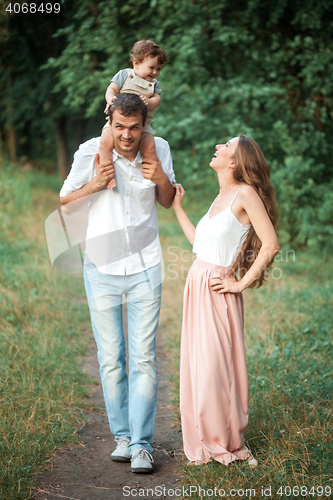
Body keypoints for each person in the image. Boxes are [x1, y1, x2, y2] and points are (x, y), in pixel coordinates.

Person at [59, 93, 176, 473]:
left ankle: (142, 445)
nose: (126, 135)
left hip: (145, 267)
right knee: (111, 360)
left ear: (145, 126)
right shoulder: (90, 151)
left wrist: (160, 178)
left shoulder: (158, 149)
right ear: (109, 121)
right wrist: (94, 184)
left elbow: (168, 199)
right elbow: (65, 201)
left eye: (134, 127)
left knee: (143, 358)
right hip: (101, 267)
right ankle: (122, 438)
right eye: (120, 127)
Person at [172, 135, 279, 467]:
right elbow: (199, 244)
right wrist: (177, 207)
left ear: (234, 161)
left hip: (219, 289)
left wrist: (240, 284)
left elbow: (271, 243)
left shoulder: (244, 193)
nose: (217, 146)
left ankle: (223, 438)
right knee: (198, 364)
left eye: (225, 146)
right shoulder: (220, 197)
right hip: (197, 284)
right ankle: (204, 437)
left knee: (216, 368)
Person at [100, 39, 168, 189]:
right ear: (136, 63)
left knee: (149, 147)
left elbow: (157, 100)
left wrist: (149, 102)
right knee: (105, 142)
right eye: (151, 67)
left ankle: (148, 179)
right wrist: (111, 99)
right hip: (119, 120)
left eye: (158, 69)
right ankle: (108, 175)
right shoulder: (124, 75)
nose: (155, 72)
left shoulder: (154, 85)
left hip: (144, 123)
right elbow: (111, 89)